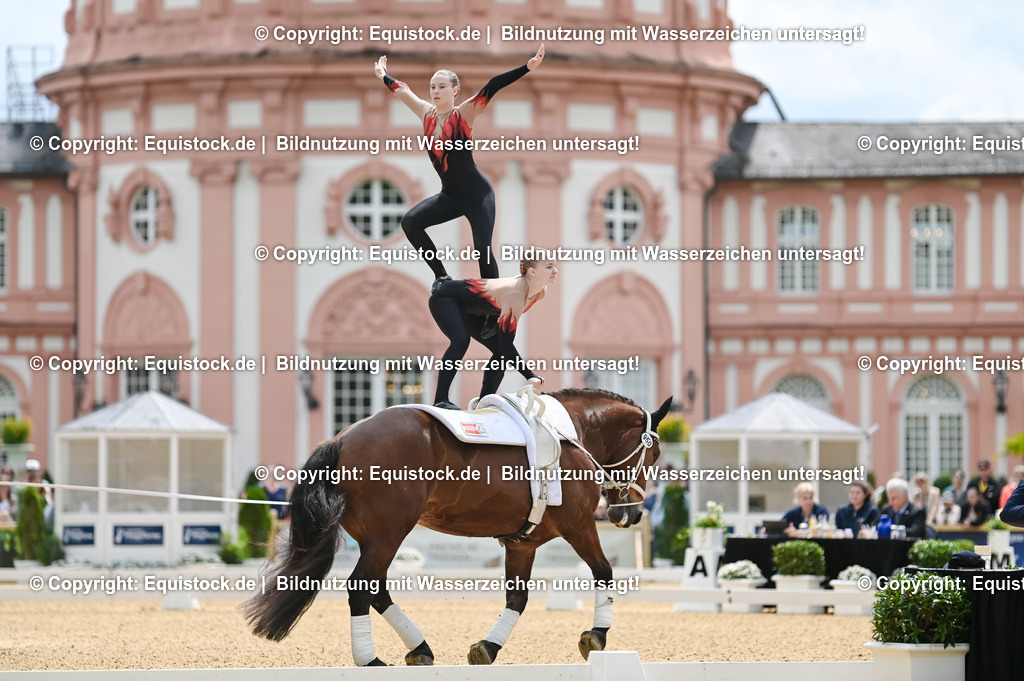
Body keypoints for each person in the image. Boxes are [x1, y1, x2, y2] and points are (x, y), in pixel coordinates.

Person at [375, 46, 545, 293]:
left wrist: (526, 67)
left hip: (478, 195)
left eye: (442, 86)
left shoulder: (464, 113)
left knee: (482, 251)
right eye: (433, 86)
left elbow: (492, 86)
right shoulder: (426, 113)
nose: (435, 91)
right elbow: (403, 91)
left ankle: (494, 305)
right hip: (451, 195)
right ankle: (441, 275)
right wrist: (383, 76)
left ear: (455, 90)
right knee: (411, 222)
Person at [429, 258, 556, 409]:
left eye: (555, 266)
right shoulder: (516, 293)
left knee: (501, 354)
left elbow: (504, 346)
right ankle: (441, 399)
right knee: (461, 340)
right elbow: (506, 343)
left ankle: (483, 403)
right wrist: (529, 375)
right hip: (445, 299)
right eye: (549, 267)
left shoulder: (540, 292)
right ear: (532, 272)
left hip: (471, 310)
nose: (555, 271)